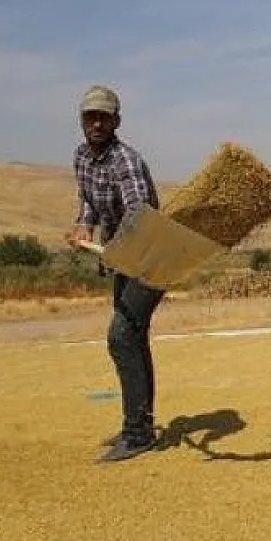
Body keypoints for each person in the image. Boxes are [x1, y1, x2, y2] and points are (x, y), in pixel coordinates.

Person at [65, 85, 164, 463]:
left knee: (121, 335)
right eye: (90, 116)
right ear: (81, 120)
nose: (97, 123)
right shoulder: (82, 158)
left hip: (149, 259)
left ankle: (137, 434)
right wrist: (84, 225)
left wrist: (121, 249)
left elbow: (140, 215)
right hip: (122, 259)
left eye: (104, 117)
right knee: (132, 337)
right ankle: (140, 425)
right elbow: (88, 199)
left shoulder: (126, 162)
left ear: (117, 122)